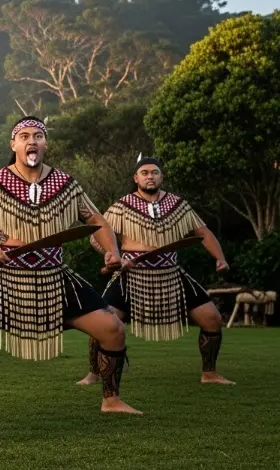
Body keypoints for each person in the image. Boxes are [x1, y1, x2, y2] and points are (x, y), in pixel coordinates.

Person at [0, 116, 141, 417]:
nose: (32, 141)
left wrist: (111, 252)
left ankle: (111, 399)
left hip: (54, 274)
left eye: (39, 136)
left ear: (45, 144)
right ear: (13, 144)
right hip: (5, 275)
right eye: (25, 136)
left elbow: (97, 222)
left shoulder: (66, 185)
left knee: (112, 329)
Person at [76, 155, 234, 386]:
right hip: (131, 274)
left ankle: (209, 373)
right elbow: (97, 236)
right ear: (136, 178)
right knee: (101, 323)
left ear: (162, 176)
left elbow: (203, 233)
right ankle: (94, 373)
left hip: (170, 272)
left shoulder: (178, 205)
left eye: (154, 172)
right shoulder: (122, 205)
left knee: (211, 318)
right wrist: (114, 256)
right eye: (145, 173)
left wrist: (220, 258)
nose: (150, 177)